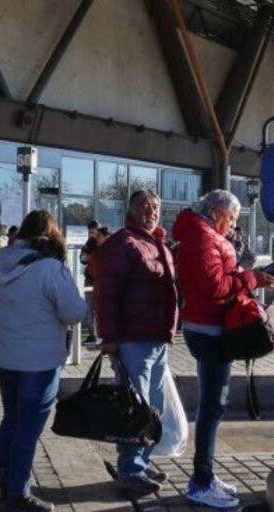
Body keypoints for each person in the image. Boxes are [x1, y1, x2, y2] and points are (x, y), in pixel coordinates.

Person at [172, 190, 274, 509]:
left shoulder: (199, 233)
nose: (232, 225)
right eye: (231, 218)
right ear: (217, 211)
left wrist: (246, 278)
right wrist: (252, 279)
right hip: (210, 330)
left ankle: (205, 475)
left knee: (212, 406)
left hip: (208, 326)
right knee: (212, 407)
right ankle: (201, 483)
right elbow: (214, 285)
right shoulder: (202, 236)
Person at [0, 210, 86, 511]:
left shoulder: (1, 262)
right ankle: (19, 491)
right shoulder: (51, 269)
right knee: (28, 428)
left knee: (11, 421)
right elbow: (75, 312)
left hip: (4, 357)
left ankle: (0, 483)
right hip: (39, 362)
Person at [94, 190, 178, 496]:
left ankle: (139, 463)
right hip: (133, 340)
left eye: (156, 206)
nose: (151, 211)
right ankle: (130, 470)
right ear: (130, 210)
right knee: (135, 409)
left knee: (151, 408)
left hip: (156, 340)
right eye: (144, 206)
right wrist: (110, 338)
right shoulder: (123, 243)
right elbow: (106, 296)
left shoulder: (156, 243)